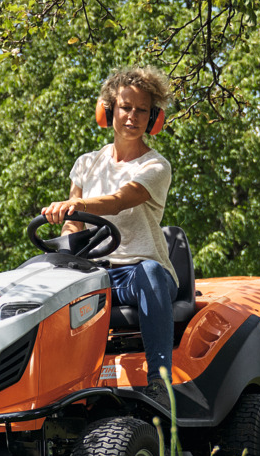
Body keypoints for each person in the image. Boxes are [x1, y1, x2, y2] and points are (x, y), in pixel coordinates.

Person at [41, 67, 179, 388]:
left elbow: (120, 200)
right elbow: (73, 225)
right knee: (39, 281)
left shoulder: (156, 166)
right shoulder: (86, 163)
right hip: (95, 275)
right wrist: (66, 249)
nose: (133, 116)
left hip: (139, 274)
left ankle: (159, 383)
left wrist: (76, 204)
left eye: (142, 110)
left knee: (150, 273)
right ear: (108, 111)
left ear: (153, 117)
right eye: (125, 107)